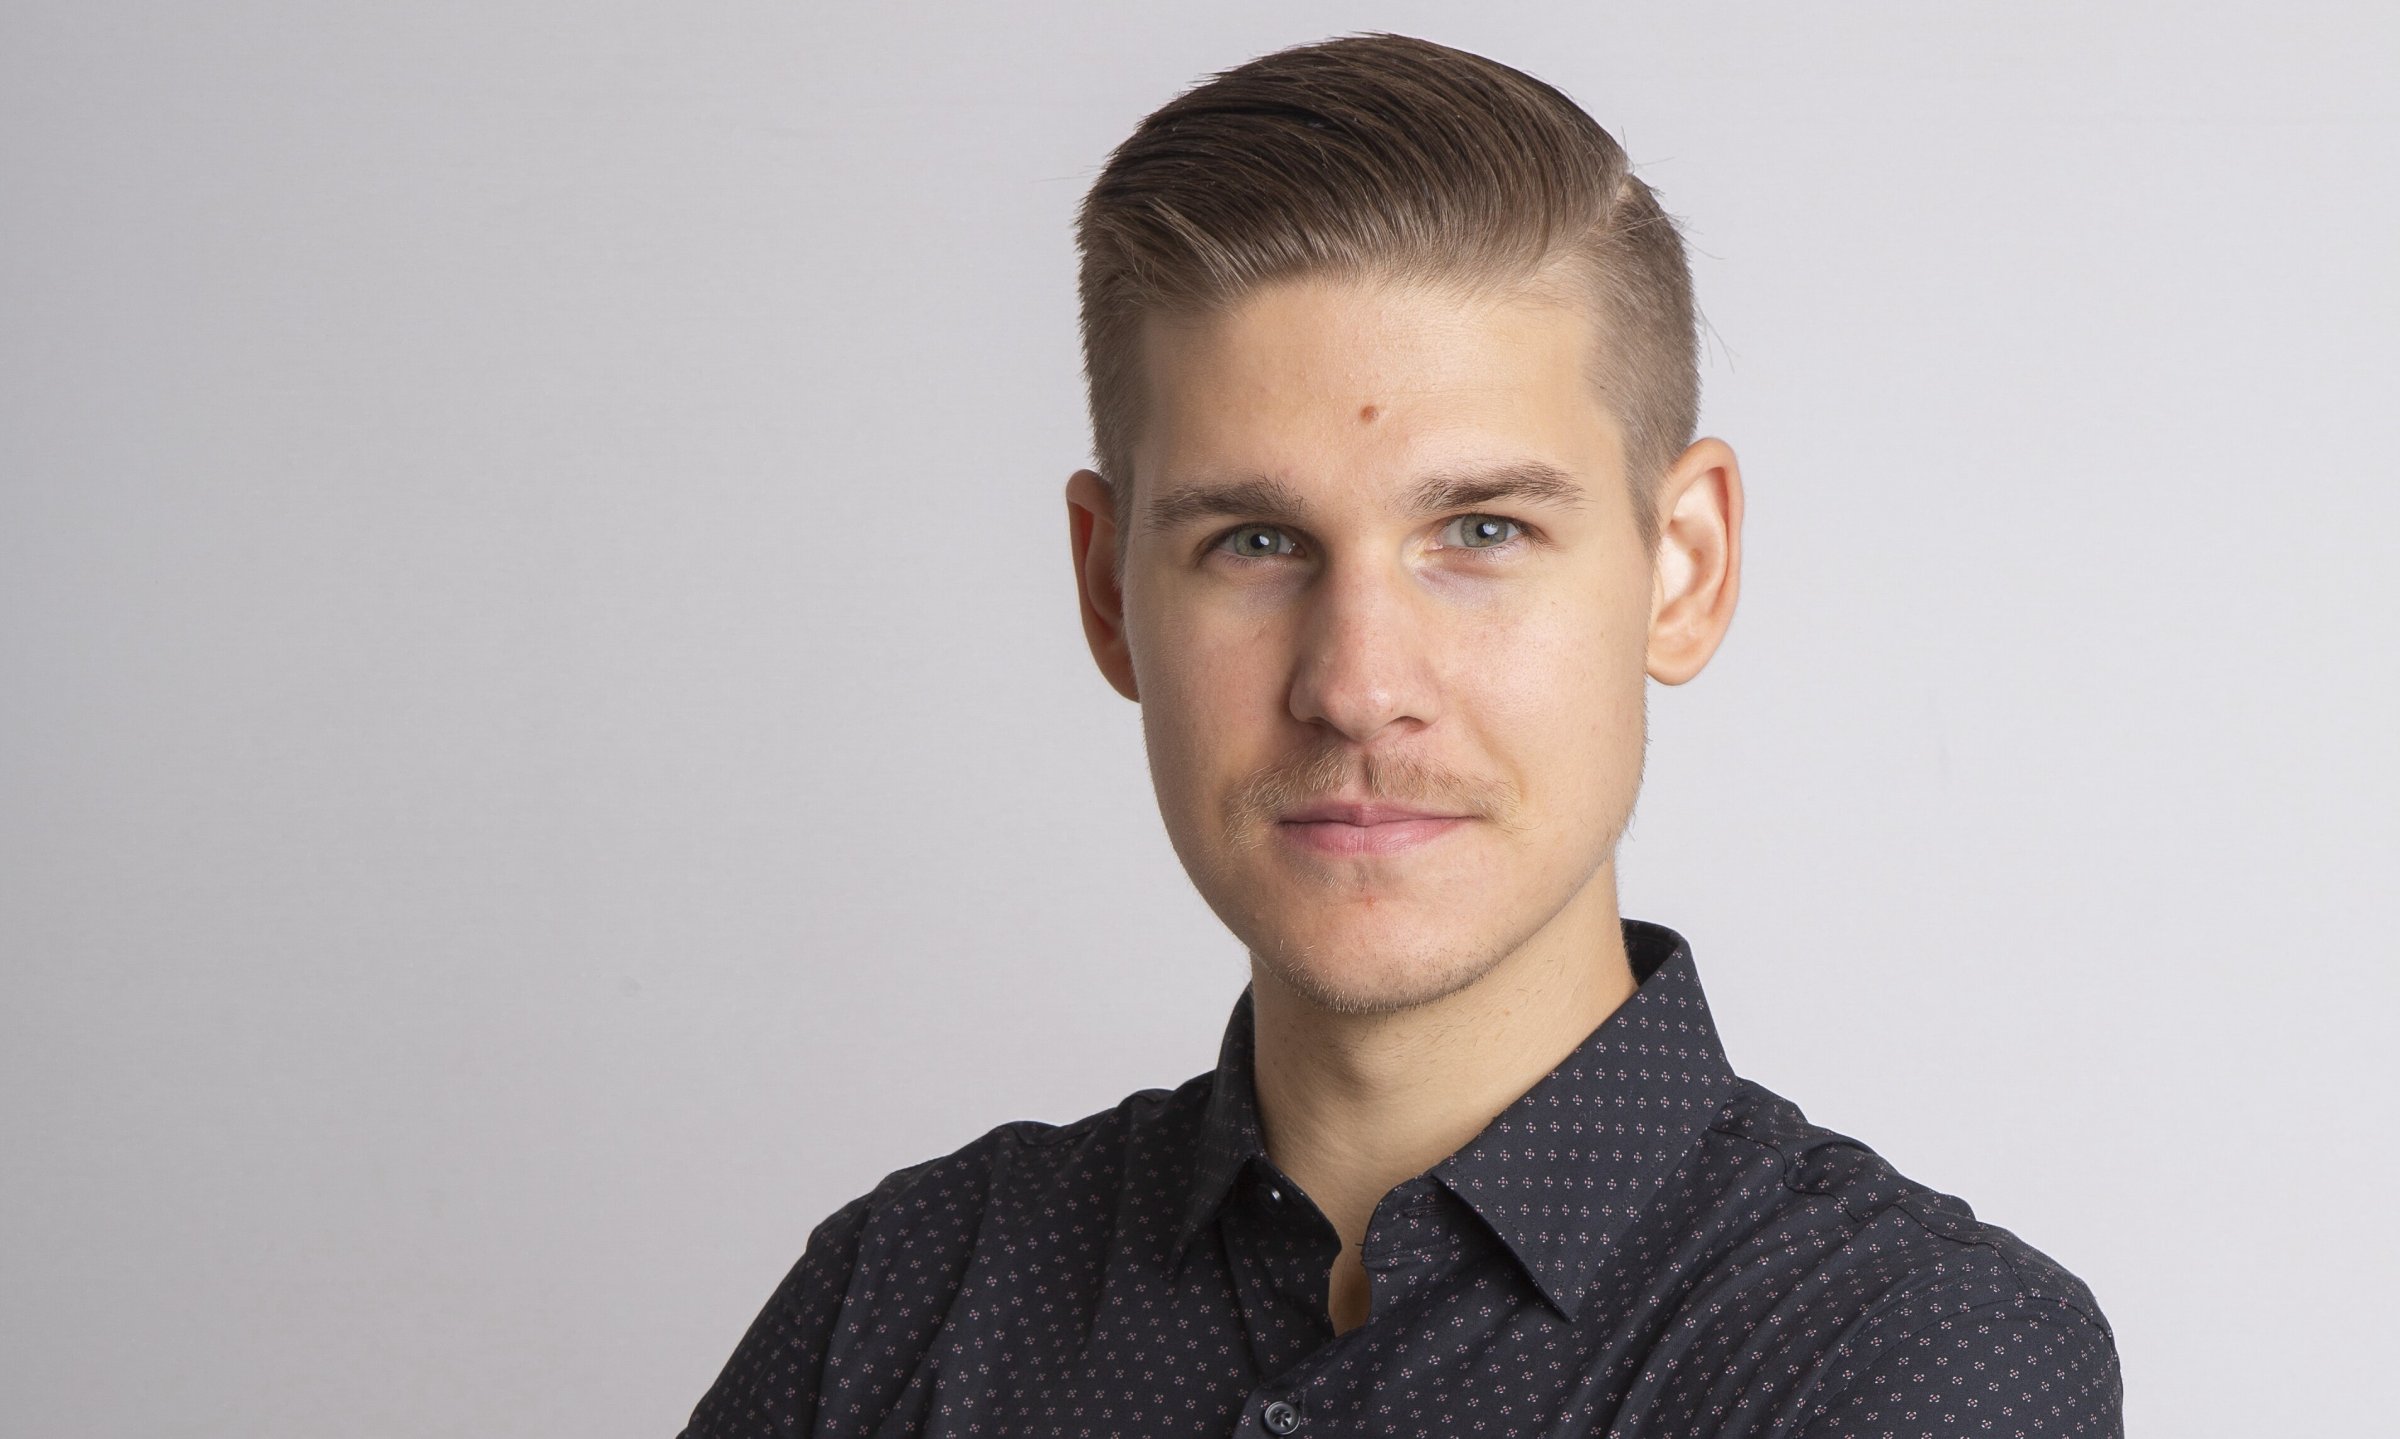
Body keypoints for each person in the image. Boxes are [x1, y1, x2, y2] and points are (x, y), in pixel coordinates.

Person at [679, 32, 2122, 1438]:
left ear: (1683, 568)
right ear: (1108, 593)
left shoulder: (1916, 1365)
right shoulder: (903, 1299)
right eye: (1254, 542)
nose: (1358, 687)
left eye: (1481, 530)